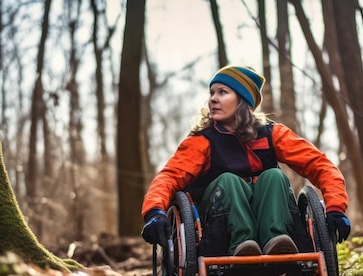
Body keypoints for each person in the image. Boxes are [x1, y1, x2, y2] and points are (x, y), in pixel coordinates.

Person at [141, 65, 350, 256]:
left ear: (242, 101)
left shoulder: (272, 134)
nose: (212, 99)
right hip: (218, 233)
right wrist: (154, 211)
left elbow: (320, 165)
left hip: (272, 219)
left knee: (274, 176)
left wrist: (335, 208)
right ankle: (243, 245)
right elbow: (169, 176)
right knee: (229, 181)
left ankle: (277, 241)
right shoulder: (202, 141)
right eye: (211, 93)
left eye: (222, 92)